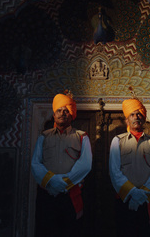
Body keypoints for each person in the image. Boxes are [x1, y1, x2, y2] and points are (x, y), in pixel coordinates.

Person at [31, 92, 92, 237]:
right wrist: (52, 181)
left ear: (72, 115)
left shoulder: (82, 136)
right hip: (48, 194)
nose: (63, 113)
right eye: (59, 110)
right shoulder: (43, 136)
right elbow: (35, 164)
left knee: (71, 231)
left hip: (71, 195)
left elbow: (85, 164)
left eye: (66, 111)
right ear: (53, 114)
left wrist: (64, 183)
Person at [109, 98, 150, 237]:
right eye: (132, 114)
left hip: (148, 200)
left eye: (139, 114)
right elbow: (114, 171)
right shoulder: (117, 141)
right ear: (127, 120)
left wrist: (142, 195)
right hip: (125, 201)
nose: (136, 117)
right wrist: (132, 193)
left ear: (144, 118)